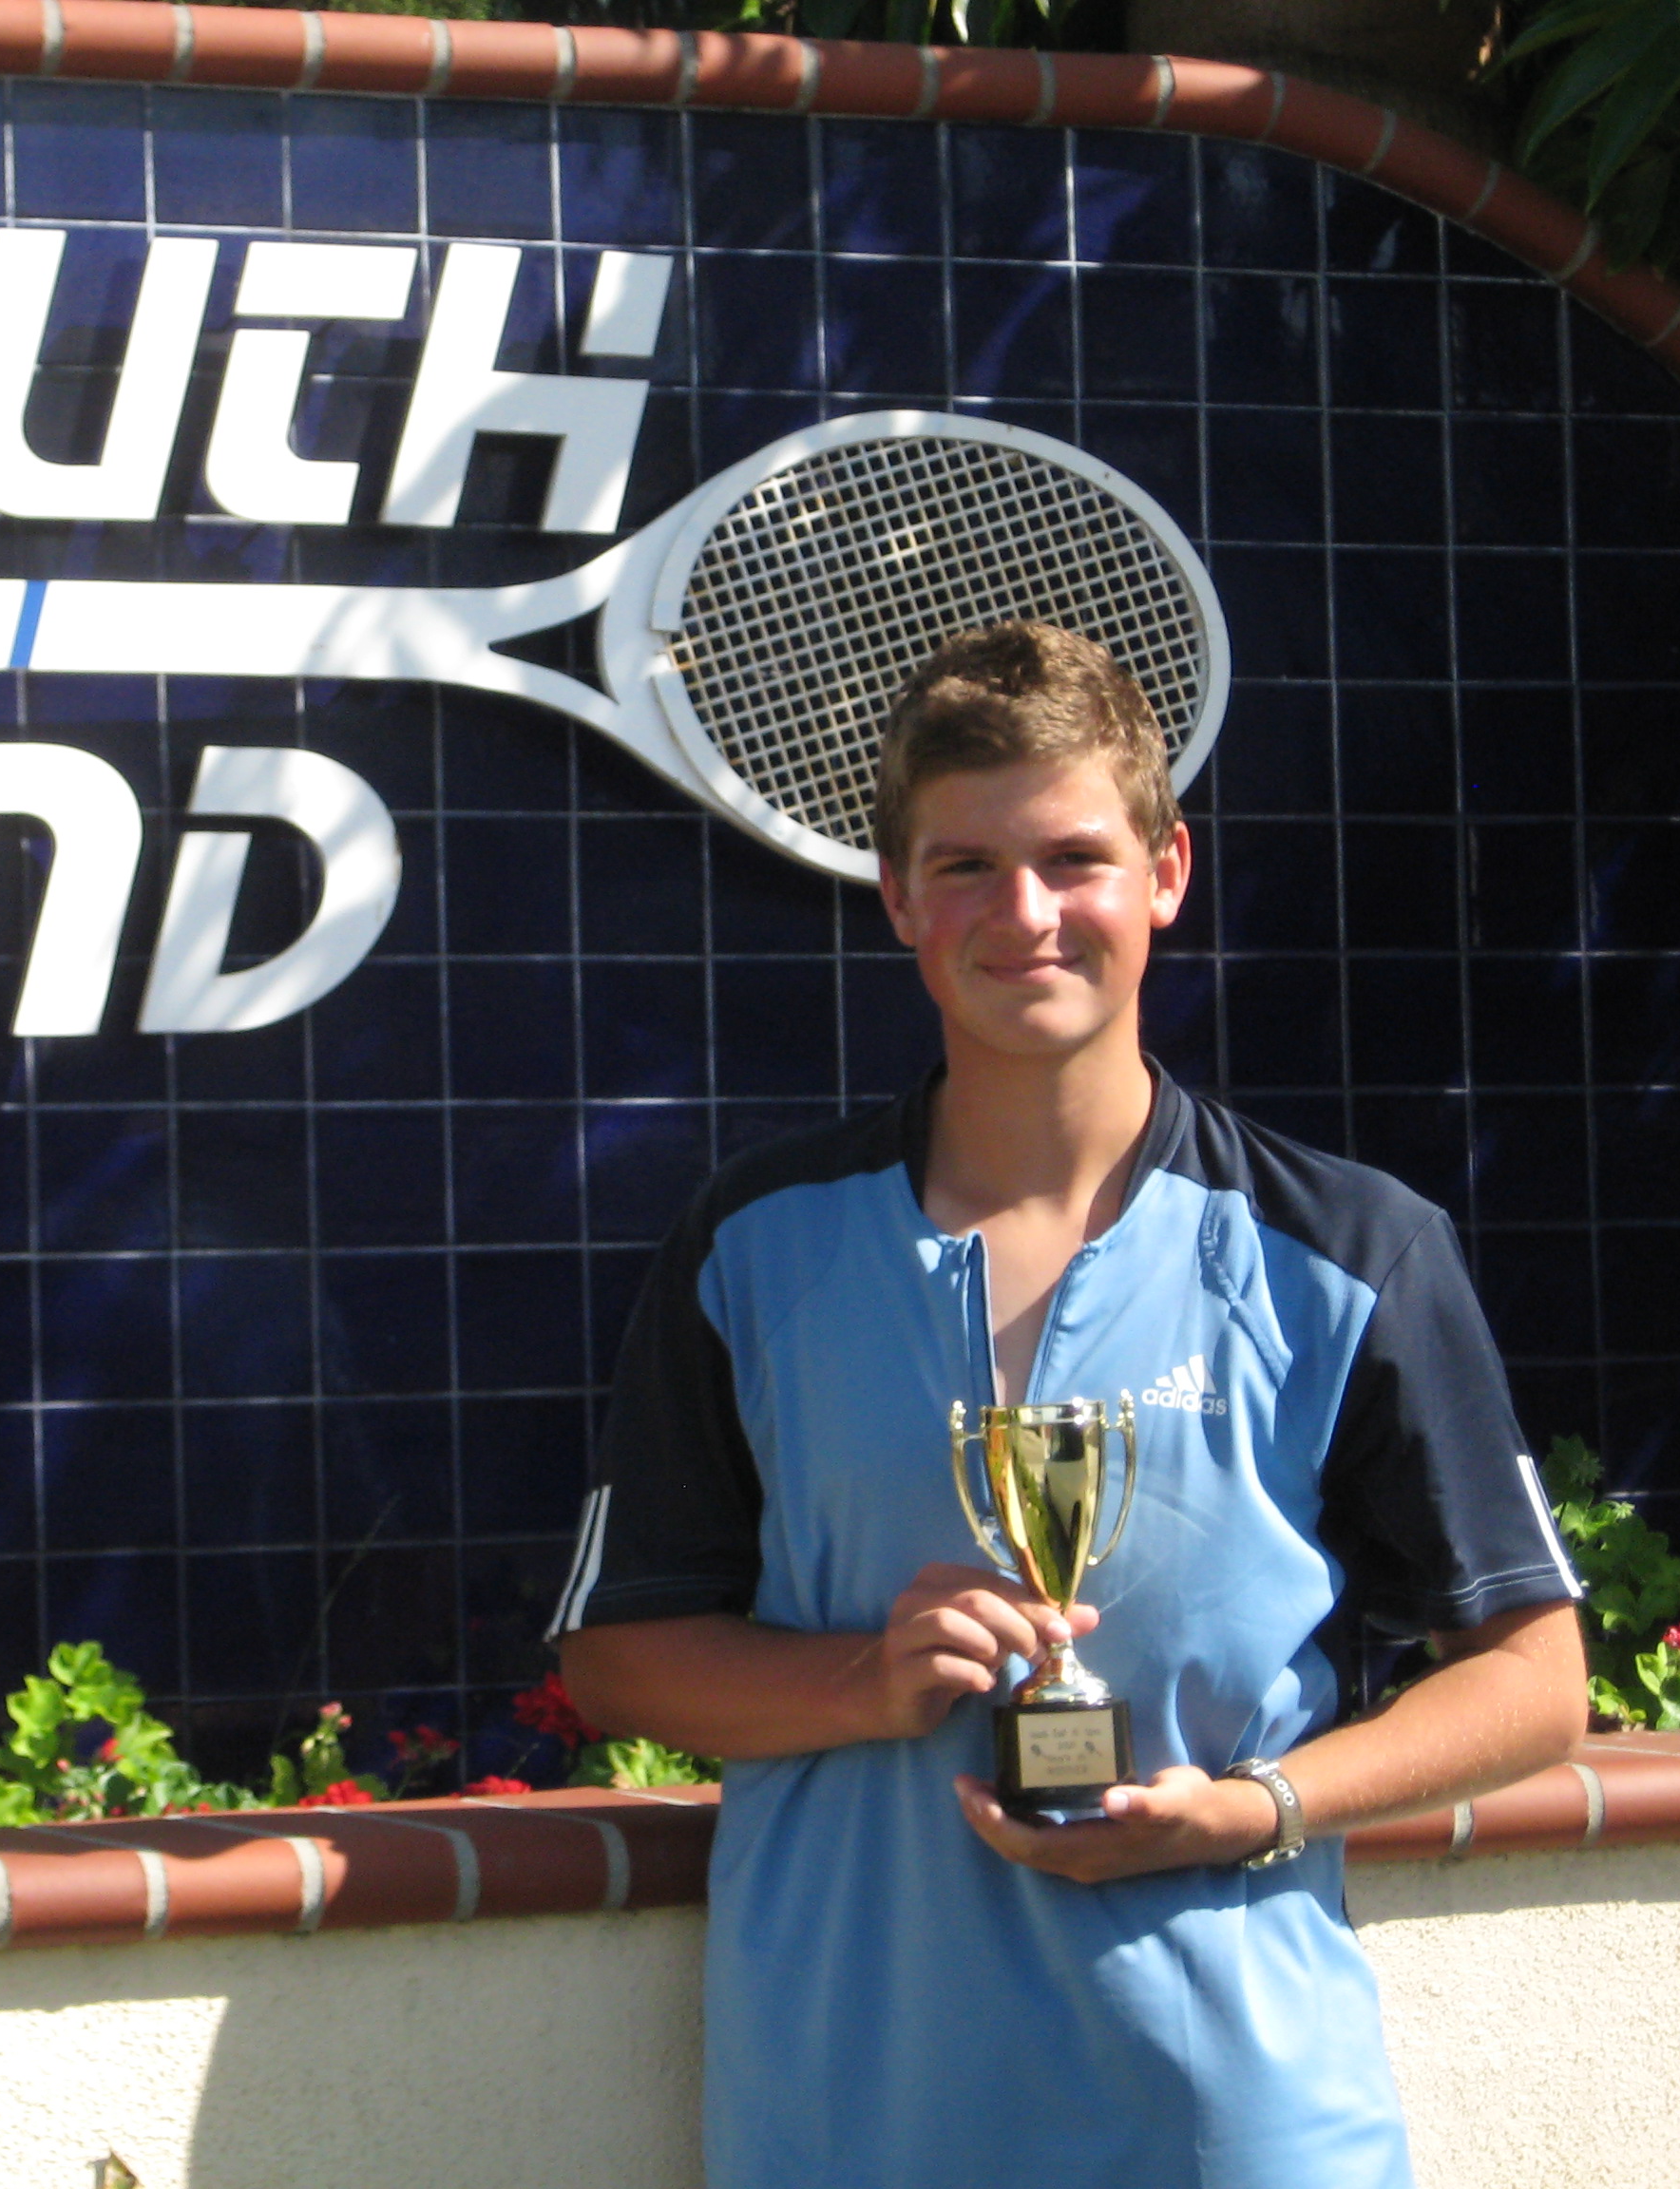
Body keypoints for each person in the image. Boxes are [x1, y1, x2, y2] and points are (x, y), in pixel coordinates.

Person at [551, 621, 1588, 2189]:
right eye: (964, 866)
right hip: (852, 2113)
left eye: (1075, 859)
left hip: (1232, 2119)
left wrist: (1255, 1808)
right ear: (896, 894)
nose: (1025, 915)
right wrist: (860, 1682)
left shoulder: (1354, 1250)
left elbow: (1534, 1678)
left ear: (1166, 873)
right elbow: (619, 1658)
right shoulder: (754, 1244)